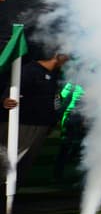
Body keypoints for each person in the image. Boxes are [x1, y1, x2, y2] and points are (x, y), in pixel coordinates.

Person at [2, 48, 70, 186]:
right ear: (58, 55)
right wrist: (4, 100)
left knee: (22, 167)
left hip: (40, 127)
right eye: (67, 56)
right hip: (24, 125)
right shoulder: (31, 70)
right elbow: (10, 91)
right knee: (7, 163)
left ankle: (7, 200)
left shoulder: (55, 75)